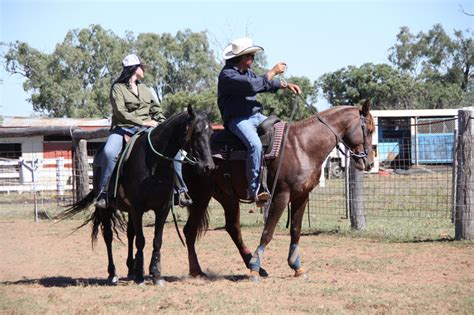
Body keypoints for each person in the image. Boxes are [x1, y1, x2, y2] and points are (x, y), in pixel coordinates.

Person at [95, 53, 192, 209]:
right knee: (108, 152)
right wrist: (143, 122)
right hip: (123, 129)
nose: (144, 70)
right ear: (134, 68)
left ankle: (180, 191)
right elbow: (120, 113)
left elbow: (156, 110)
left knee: (177, 153)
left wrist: (163, 124)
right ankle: (104, 193)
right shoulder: (117, 88)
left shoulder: (146, 89)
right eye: (142, 67)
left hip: (147, 130)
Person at [218, 37, 302, 204]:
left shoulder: (246, 72)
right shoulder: (228, 75)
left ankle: (280, 178)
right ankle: (255, 188)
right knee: (255, 145)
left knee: (284, 131)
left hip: (256, 115)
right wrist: (273, 72)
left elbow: (262, 84)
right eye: (252, 55)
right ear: (244, 58)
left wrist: (284, 84)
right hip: (238, 119)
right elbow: (252, 86)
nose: (253, 59)